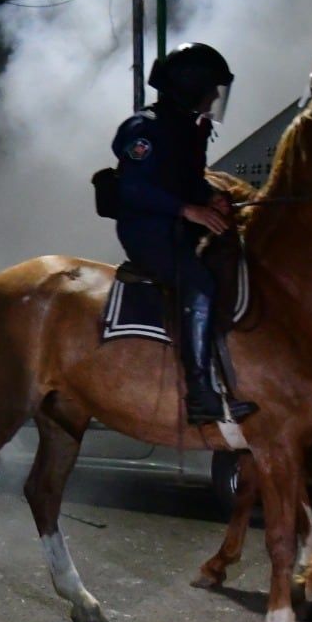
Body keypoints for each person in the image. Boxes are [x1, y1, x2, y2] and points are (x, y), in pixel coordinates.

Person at [111, 42, 256, 425]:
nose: (213, 98)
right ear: (190, 87)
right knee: (200, 283)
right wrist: (188, 209)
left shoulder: (188, 130)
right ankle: (200, 392)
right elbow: (132, 189)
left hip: (180, 227)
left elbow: (188, 182)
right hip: (148, 231)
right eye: (209, 89)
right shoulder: (145, 129)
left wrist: (213, 199)